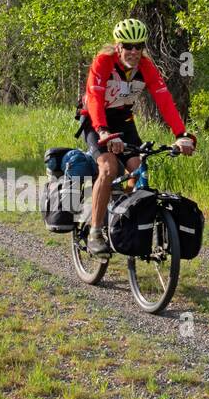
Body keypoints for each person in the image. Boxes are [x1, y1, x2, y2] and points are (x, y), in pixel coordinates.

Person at [77, 18, 196, 255]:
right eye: (128, 45)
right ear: (118, 45)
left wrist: (181, 134)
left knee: (137, 169)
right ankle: (95, 232)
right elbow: (94, 98)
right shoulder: (104, 62)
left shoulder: (146, 67)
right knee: (109, 168)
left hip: (123, 121)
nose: (133, 51)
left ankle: (121, 214)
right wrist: (103, 131)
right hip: (95, 119)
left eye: (138, 46)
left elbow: (164, 100)